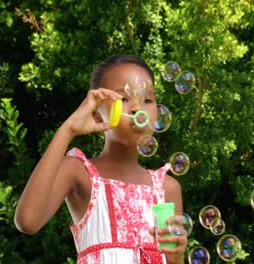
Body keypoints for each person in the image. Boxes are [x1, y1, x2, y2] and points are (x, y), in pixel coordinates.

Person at [14, 55, 187, 264]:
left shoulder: (167, 188)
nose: (137, 108)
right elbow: (27, 221)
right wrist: (67, 130)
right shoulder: (80, 172)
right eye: (124, 99)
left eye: (147, 100)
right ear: (96, 113)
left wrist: (176, 257)